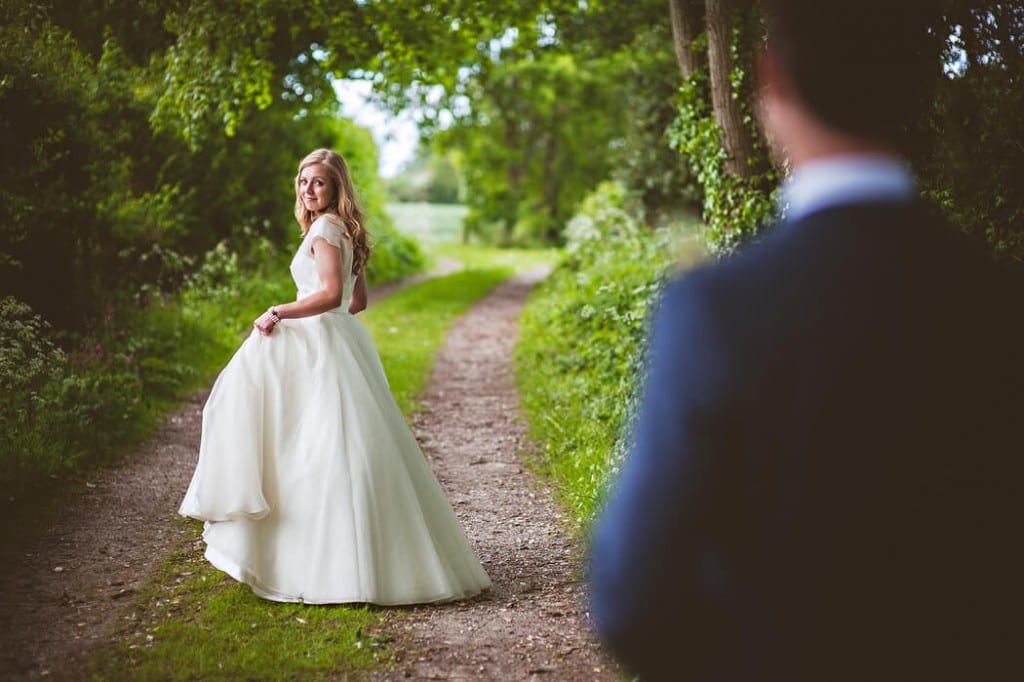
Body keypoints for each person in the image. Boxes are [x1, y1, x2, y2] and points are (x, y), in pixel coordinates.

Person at [589, 2, 1022, 680]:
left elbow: (633, 594)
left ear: (772, 83)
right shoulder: (1001, 297)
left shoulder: (717, 310)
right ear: (922, 84)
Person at [179, 148, 491, 605]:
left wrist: (278, 311)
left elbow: (328, 295)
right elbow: (356, 302)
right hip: (339, 340)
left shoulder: (325, 228)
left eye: (319, 182)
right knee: (332, 442)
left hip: (317, 340)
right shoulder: (347, 230)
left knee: (307, 440)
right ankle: (365, 555)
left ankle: (318, 557)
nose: (309, 190)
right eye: (303, 182)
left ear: (336, 187)